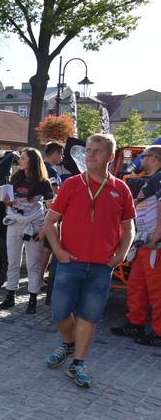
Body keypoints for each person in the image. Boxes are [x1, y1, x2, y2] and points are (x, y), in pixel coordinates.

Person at [43, 134, 135, 388]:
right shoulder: (72, 184)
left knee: (89, 316)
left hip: (101, 268)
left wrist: (121, 255)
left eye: (97, 151)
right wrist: (59, 252)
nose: (90, 155)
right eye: (89, 150)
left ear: (110, 157)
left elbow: (129, 229)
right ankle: (68, 344)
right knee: (60, 312)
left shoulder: (121, 188)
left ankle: (78, 363)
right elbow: (49, 223)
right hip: (69, 262)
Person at [110, 144, 161, 346]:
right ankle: (136, 322)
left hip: (153, 243)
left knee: (156, 289)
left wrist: (158, 234)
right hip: (144, 242)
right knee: (136, 285)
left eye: (144, 156)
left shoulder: (159, 177)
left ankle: (159, 333)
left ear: (153, 159)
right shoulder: (152, 179)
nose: (140, 161)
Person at [0, 148, 53, 313]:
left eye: (22, 158)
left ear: (32, 161)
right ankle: (10, 296)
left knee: (33, 264)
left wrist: (44, 228)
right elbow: (11, 203)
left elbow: (52, 208)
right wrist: (7, 202)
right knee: (13, 262)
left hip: (34, 225)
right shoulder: (16, 178)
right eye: (20, 158)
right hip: (15, 223)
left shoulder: (44, 182)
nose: (19, 161)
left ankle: (32, 299)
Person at [39, 141, 65, 300]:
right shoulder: (51, 170)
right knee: (47, 248)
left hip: (37, 212)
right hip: (49, 212)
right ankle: (40, 279)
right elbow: (56, 192)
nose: (61, 157)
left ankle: (37, 277)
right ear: (54, 153)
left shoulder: (38, 167)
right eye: (60, 154)